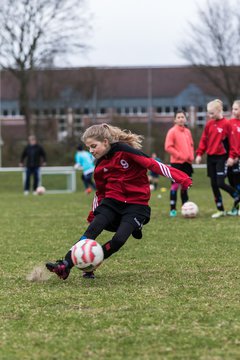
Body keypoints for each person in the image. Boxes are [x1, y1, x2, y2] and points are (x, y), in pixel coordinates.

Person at [46, 123, 192, 281]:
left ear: (105, 142)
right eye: (89, 147)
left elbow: (153, 164)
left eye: (94, 146)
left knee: (119, 240)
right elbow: (100, 192)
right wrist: (93, 213)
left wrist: (181, 178)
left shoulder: (125, 151)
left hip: (136, 205)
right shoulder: (100, 166)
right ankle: (65, 264)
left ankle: (92, 263)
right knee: (92, 229)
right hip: (112, 201)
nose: (91, 151)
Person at [195, 99, 240, 218]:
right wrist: (199, 154)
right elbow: (204, 140)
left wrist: (232, 156)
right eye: (208, 113)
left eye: (211, 113)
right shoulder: (209, 124)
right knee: (214, 184)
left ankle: (237, 195)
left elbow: (233, 142)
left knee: (220, 183)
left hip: (222, 158)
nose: (209, 116)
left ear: (219, 110)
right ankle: (220, 209)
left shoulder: (227, 124)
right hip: (211, 158)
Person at [164, 110, 194, 217]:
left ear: (185, 119)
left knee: (185, 186)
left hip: (187, 163)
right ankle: (173, 209)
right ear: (175, 120)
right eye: (179, 117)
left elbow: (191, 145)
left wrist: (191, 156)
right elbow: (168, 147)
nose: (181, 119)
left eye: (183, 117)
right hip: (177, 163)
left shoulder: (188, 132)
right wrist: (179, 155)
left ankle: (185, 207)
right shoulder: (172, 131)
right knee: (175, 186)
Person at [227, 100, 240, 215]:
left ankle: (235, 208)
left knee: (237, 182)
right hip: (231, 158)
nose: (233, 111)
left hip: (238, 158)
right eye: (233, 109)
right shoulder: (230, 123)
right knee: (232, 182)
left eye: (236, 109)